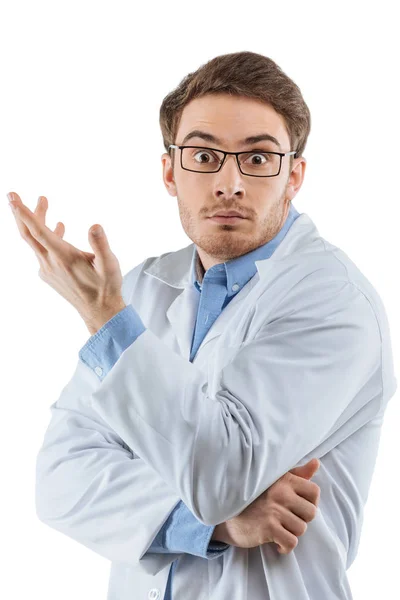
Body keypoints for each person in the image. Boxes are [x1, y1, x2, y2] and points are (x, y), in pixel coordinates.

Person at [9, 51, 397, 600]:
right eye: (204, 155)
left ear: (295, 175)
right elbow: (59, 481)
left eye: (259, 158)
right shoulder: (143, 288)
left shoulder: (335, 303)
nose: (229, 183)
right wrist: (212, 525)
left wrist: (104, 319)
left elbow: (220, 475)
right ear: (170, 170)